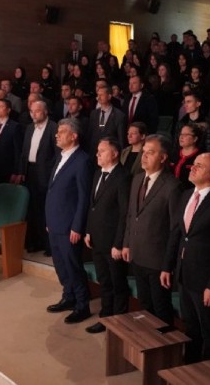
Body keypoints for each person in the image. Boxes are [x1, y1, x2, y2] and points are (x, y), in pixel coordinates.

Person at [162, 153, 210, 363]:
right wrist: (168, 266)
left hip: (205, 280)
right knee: (190, 326)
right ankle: (190, 368)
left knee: (209, 331)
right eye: (193, 165)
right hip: (184, 274)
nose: (192, 169)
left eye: (199, 166)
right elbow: (176, 234)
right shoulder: (186, 195)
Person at [123, 134, 182, 323]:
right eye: (144, 152)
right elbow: (132, 215)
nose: (144, 156)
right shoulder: (137, 179)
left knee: (161, 309)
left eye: (151, 153)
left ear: (163, 158)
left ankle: (165, 349)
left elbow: (175, 230)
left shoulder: (172, 186)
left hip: (158, 260)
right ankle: (149, 347)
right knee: (145, 305)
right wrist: (127, 243)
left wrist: (168, 265)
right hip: (137, 254)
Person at [44, 118, 93, 324]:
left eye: (62, 131)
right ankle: (69, 297)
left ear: (74, 136)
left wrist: (77, 226)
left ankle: (82, 306)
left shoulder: (82, 160)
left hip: (69, 226)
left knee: (73, 266)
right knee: (60, 265)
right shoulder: (60, 156)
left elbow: (83, 197)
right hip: (55, 222)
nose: (57, 134)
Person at [83, 137, 131, 334]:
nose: (97, 154)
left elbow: (124, 213)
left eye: (102, 151)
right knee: (104, 281)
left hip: (113, 242)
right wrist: (88, 230)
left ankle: (117, 323)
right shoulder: (98, 174)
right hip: (97, 239)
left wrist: (119, 243)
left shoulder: (123, 177)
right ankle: (105, 317)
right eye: (97, 150)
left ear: (114, 153)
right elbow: (92, 206)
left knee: (117, 283)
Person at [15, 100, 59, 255]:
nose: (34, 114)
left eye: (37, 111)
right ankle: (35, 242)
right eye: (32, 111)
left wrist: (52, 174)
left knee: (45, 211)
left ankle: (49, 246)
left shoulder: (54, 127)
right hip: (30, 173)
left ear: (45, 112)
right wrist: (21, 171)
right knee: (31, 210)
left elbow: (57, 154)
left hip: (45, 175)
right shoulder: (29, 128)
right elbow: (24, 152)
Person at [0, 99, 23, 186]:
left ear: (8, 110)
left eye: (1, 107)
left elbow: (18, 151)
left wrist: (16, 171)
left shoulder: (15, 126)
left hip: (7, 171)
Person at [85, 86, 126, 155]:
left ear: (109, 96)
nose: (98, 97)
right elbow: (90, 135)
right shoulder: (93, 113)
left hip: (109, 154)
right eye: (98, 95)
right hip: (93, 153)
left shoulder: (119, 115)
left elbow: (121, 139)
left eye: (101, 95)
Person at [172, 124, 203, 190]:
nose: (181, 137)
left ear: (195, 139)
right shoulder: (174, 153)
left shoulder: (201, 157)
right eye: (181, 134)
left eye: (186, 135)